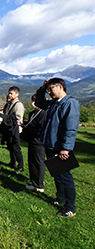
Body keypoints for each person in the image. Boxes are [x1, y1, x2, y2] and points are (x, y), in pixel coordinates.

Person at [35, 78, 80, 218]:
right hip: (50, 144)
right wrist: (42, 88)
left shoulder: (70, 103)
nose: (48, 92)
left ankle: (70, 207)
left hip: (60, 147)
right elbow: (39, 103)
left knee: (65, 176)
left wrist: (66, 148)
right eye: (47, 90)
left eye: (50, 89)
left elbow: (71, 128)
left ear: (60, 87)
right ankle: (60, 197)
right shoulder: (54, 103)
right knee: (56, 174)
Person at [21, 94, 47, 192]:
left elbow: (40, 128)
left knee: (38, 162)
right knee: (31, 161)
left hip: (39, 141)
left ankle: (39, 185)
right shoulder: (32, 113)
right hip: (32, 140)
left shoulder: (44, 113)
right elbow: (29, 123)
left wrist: (28, 127)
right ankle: (33, 180)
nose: (33, 103)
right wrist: (23, 123)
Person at [0, 86, 25, 172]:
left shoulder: (18, 105)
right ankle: (12, 162)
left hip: (15, 129)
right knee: (10, 146)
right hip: (9, 129)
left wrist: (5, 117)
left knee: (16, 148)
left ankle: (21, 165)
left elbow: (18, 118)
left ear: (17, 94)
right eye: (9, 93)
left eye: (11, 93)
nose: (9, 95)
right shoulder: (10, 103)